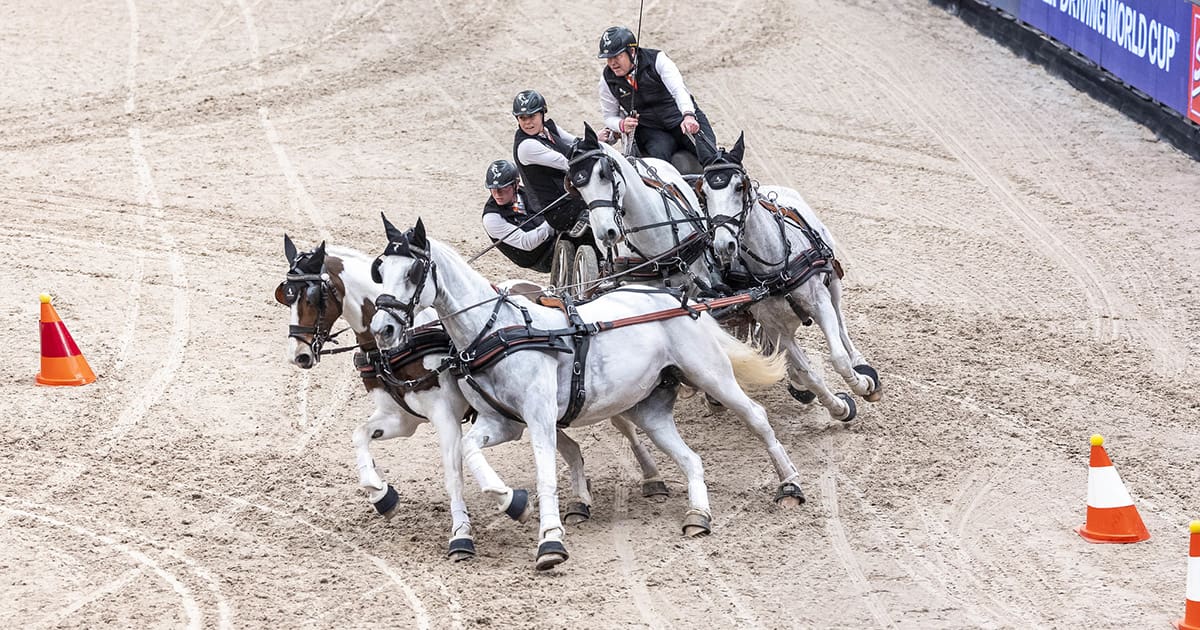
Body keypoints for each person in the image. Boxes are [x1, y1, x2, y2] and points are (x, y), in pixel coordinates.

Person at [596, 26, 717, 165]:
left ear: (632, 52)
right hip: (651, 130)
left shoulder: (658, 60)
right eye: (608, 58)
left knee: (712, 155)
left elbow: (679, 90)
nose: (612, 63)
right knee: (655, 164)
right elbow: (609, 116)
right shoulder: (607, 80)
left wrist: (688, 115)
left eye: (617, 56)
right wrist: (621, 124)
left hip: (680, 120)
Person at [511, 89, 588, 231]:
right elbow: (567, 162)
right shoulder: (526, 146)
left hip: (573, 197)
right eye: (522, 118)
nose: (527, 123)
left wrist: (599, 140)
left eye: (532, 116)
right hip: (558, 210)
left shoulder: (549, 128)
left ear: (542, 113)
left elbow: (576, 143)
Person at [481, 159, 557, 273]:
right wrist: (554, 221)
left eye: (503, 188)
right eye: (493, 189)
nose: (497, 194)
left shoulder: (526, 191)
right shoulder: (491, 218)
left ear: (516, 184)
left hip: (550, 236)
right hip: (540, 257)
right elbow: (526, 242)